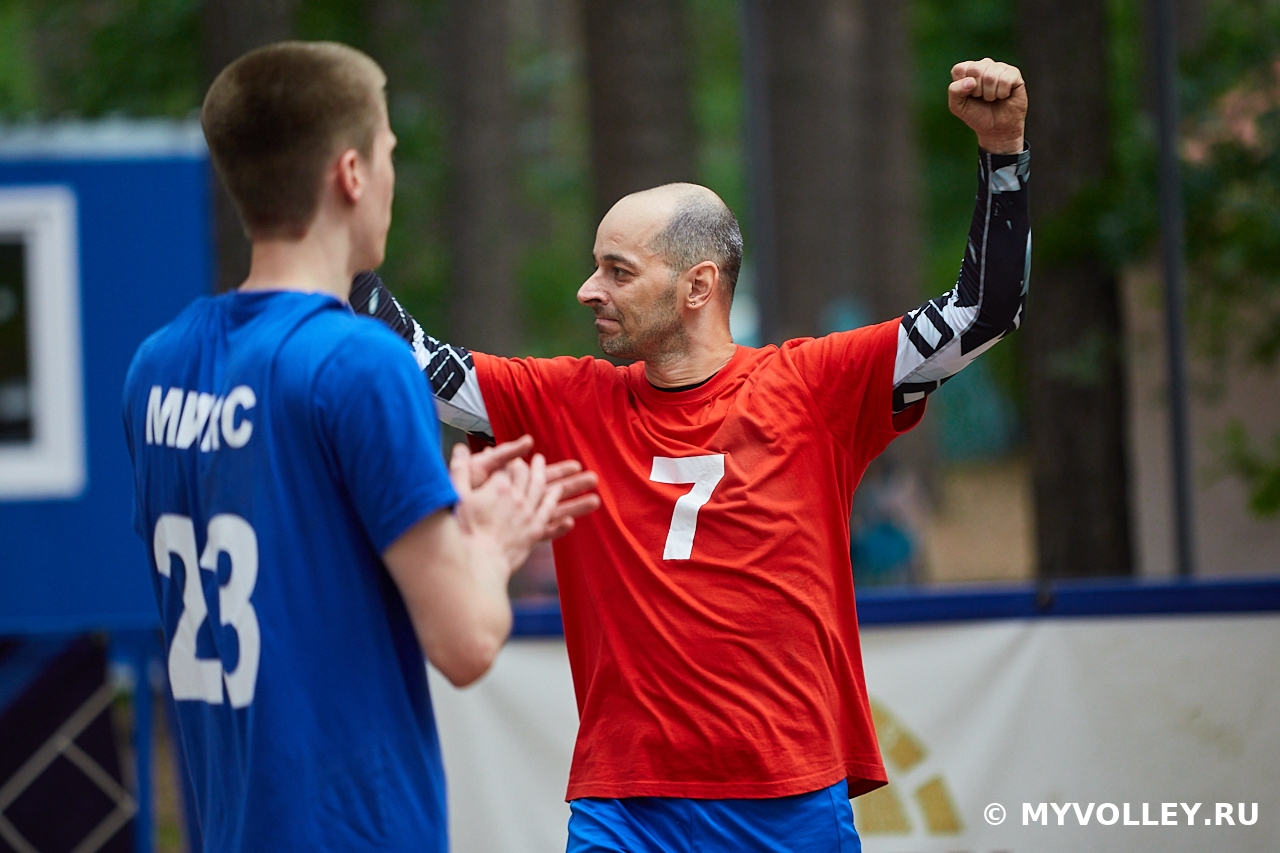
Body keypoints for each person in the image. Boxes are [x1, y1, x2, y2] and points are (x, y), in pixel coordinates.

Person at [354, 58, 1030, 852]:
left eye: (617, 271)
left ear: (698, 286)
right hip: (624, 805)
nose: (588, 289)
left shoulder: (815, 385)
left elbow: (982, 312)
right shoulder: (567, 400)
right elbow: (408, 357)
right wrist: (336, 221)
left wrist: (1003, 151)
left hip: (786, 797)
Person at [122, 42, 596, 852]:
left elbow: (291, 557)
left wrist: (430, 510)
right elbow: (466, 642)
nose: (390, 178)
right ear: (350, 173)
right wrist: (492, 540)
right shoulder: (361, 363)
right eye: (388, 154)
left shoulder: (157, 364)